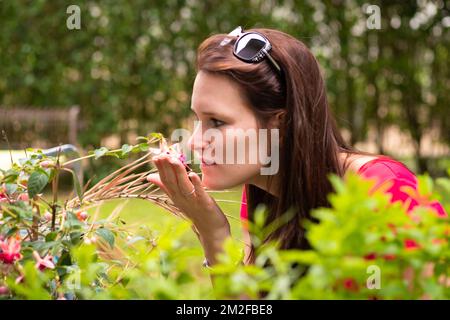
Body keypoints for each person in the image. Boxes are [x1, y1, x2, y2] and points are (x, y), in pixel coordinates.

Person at [147, 26, 447, 268]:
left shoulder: (385, 191)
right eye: (198, 120)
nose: (197, 141)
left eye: (217, 122)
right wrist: (213, 235)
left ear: (280, 123)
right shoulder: (263, 198)